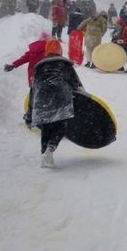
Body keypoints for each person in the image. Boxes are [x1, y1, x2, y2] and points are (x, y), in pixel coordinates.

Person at [31, 39, 85, 168]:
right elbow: (75, 84)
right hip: (61, 98)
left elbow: (34, 87)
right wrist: (84, 98)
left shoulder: (39, 66)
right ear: (60, 50)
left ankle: (44, 154)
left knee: (47, 127)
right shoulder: (64, 64)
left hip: (42, 99)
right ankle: (50, 148)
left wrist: (30, 111)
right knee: (60, 125)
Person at [4, 31, 52, 127]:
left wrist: (13, 65)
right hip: (44, 76)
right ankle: (44, 121)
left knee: (33, 96)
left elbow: (24, 58)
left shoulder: (33, 49)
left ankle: (29, 118)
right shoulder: (49, 48)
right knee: (45, 98)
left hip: (33, 76)